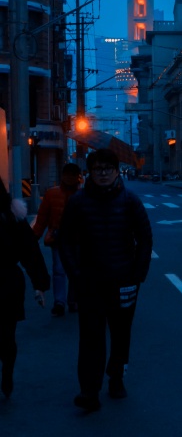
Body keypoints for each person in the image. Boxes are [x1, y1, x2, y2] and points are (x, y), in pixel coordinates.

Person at [59, 148, 152, 412]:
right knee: (91, 338)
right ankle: (89, 391)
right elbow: (64, 240)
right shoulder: (78, 202)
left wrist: (137, 275)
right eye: (97, 169)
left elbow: (145, 238)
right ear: (89, 172)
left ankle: (116, 377)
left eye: (107, 169)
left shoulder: (129, 201)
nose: (102, 174)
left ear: (115, 170)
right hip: (89, 282)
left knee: (121, 334)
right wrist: (75, 274)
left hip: (124, 282)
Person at [0, 177, 49, 398]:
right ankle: (7, 373)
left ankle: (7, 372)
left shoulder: (12, 219)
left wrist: (39, 284)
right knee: (7, 335)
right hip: (9, 282)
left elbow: (31, 253)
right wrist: (39, 284)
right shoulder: (13, 218)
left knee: (7, 336)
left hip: (6, 283)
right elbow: (31, 253)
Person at [32, 162, 83, 316]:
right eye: (67, 174)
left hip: (77, 239)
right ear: (63, 175)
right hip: (59, 238)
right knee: (60, 270)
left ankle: (72, 300)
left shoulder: (83, 195)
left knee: (74, 271)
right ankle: (60, 302)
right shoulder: (52, 194)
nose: (69, 178)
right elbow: (42, 218)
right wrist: (33, 238)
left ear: (77, 177)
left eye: (72, 175)